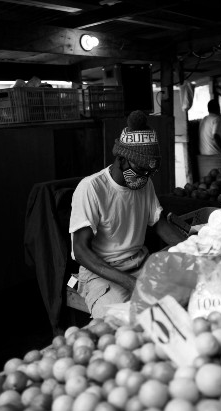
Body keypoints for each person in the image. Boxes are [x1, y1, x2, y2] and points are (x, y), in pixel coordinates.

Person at [69, 110, 186, 318]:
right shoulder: (91, 188)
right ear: (122, 160)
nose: (146, 177)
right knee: (123, 322)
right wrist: (129, 283)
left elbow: (158, 222)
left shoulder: (144, 183)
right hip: (103, 273)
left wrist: (192, 247)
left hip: (140, 263)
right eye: (141, 170)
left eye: (150, 172)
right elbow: (80, 250)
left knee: (182, 298)